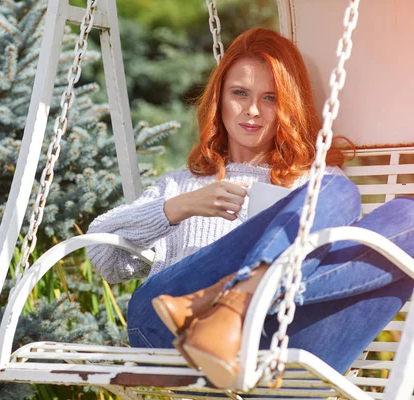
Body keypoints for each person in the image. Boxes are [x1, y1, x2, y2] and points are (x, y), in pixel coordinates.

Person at [86, 27, 414, 389]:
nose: (253, 110)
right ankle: (223, 305)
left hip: (277, 356)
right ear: (220, 100)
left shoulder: (314, 183)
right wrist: (180, 207)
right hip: (169, 336)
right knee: (337, 192)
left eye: (270, 98)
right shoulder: (184, 185)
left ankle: (234, 302)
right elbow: (103, 254)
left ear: (287, 105)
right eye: (240, 93)